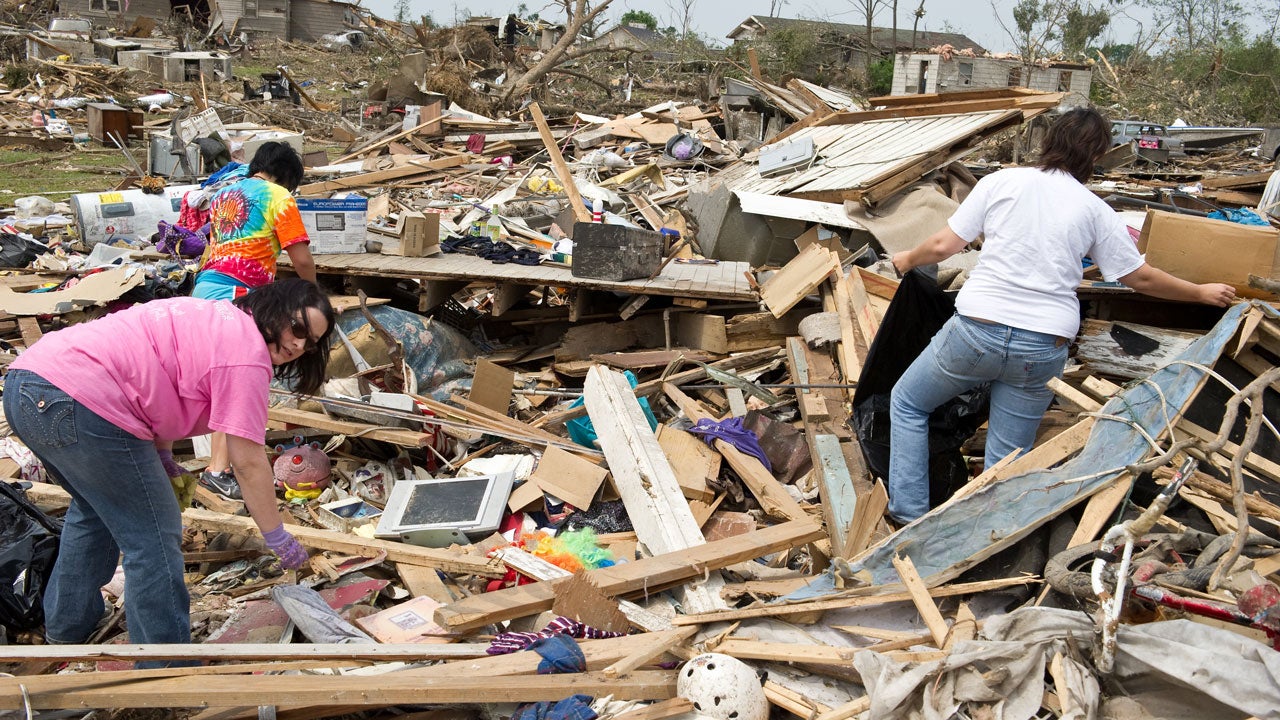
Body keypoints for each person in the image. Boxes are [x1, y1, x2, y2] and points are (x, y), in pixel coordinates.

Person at [885, 107, 1236, 526]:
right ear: (1098, 154)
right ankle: (990, 533)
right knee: (1008, 457)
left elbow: (944, 246)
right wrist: (1200, 292)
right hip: (1043, 345)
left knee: (908, 403)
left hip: (977, 332)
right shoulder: (1095, 210)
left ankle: (908, 517)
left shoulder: (1001, 182)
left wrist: (906, 259)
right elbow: (1138, 278)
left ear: (1049, 141)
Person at [4, 279, 334, 663]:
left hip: (28, 385)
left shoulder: (218, 318)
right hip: (81, 400)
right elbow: (247, 462)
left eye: (310, 342)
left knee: (94, 510)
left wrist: (161, 452)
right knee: (153, 537)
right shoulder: (247, 354)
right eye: (297, 328)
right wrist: (276, 535)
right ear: (273, 309)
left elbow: (159, 378)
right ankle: (165, 664)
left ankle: (67, 628)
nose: (298, 345)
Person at [193, 141, 318, 499]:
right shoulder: (278, 196)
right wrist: (313, 295)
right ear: (287, 176)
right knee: (235, 382)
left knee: (218, 381)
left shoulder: (223, 194)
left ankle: (218, 467)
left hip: (204, 288)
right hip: (238, 294)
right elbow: (301, 259)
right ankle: (219, 470)